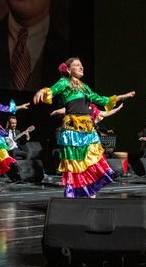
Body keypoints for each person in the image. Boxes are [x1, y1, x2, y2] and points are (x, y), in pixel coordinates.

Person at [33, 58, 135, 198]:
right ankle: (73, 194)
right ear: (68, 69)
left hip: (88, 128)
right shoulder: (65, 82)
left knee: (93, 159)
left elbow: (101, 100)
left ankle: (90, 190)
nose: (81, 67)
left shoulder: (85, 87)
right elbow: (52, 90)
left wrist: (122, 97)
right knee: (75, 162)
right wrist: (42, 91)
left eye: (81, 65)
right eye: (77, 65)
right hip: (73, 129)